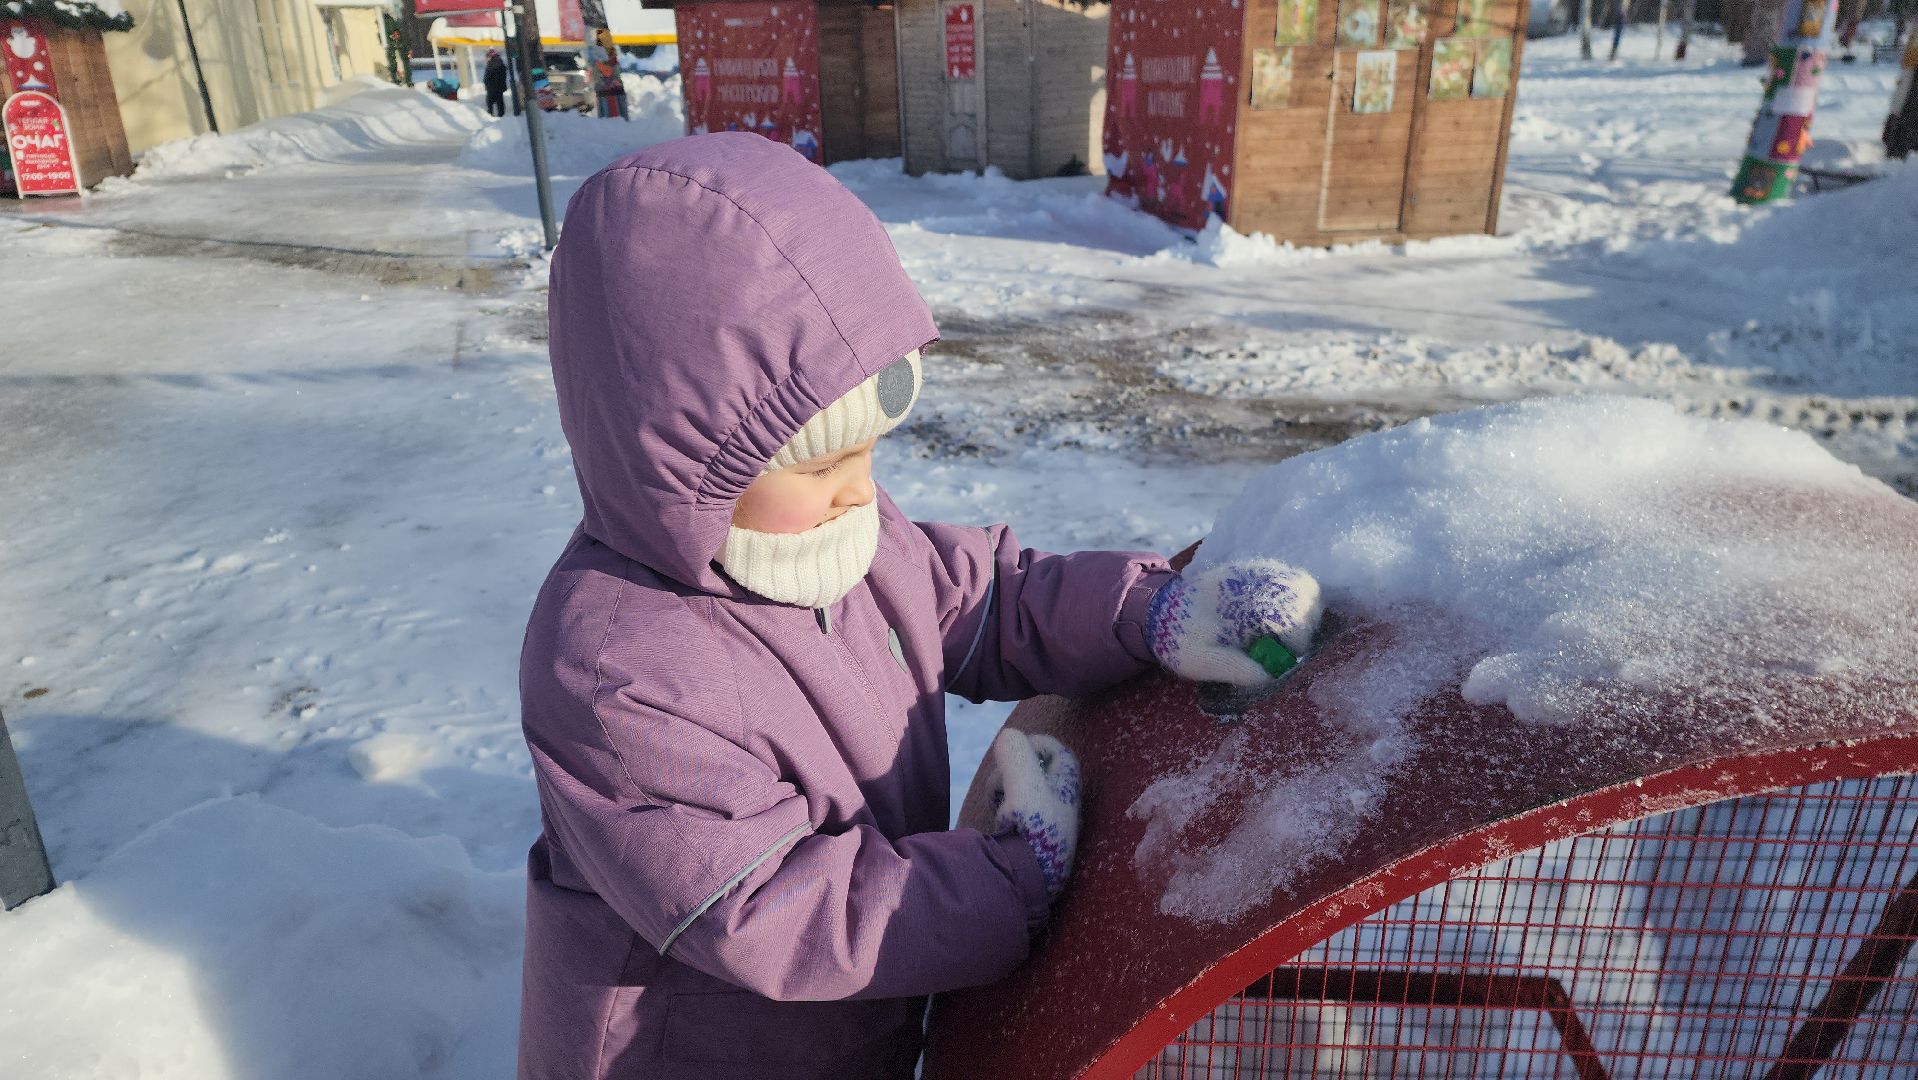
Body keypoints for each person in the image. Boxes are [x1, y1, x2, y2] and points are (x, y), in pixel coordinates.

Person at [515, 131, 1320, 1080]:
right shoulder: (615, 673)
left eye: (868, 452)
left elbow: (982, 600)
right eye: (819, 464)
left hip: (853, 1019)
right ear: (674, 465)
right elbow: (769, 911)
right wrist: (1007, 883)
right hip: (696, 1053)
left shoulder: (826, 536)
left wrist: (1151, 616)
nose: (862, 492)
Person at [484, 48, 508, 118]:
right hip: (499, 85)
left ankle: (491, 114)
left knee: (490, 101)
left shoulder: (492, 63)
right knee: (499, 100)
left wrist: (487, 83)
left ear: (490, 56)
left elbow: (489, 75)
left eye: (487, 57)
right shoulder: (499, 61)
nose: (486, 59)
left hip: (493, 86)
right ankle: (501, 114)